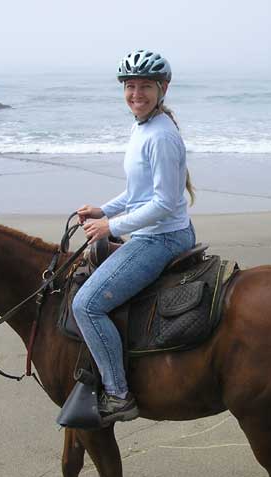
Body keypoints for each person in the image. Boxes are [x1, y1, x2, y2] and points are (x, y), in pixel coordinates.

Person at [71, 50, 196, 426]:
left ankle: (119, 394)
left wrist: (112, 228)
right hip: (152, 230)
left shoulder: (160, 136)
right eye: (130, 86)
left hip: (161, 238)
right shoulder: (143, 126)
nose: (136, 93)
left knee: (86, 305)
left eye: (145, 86)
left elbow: (164, 203)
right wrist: (104, 211)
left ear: (163, 88)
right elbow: (138, 194)